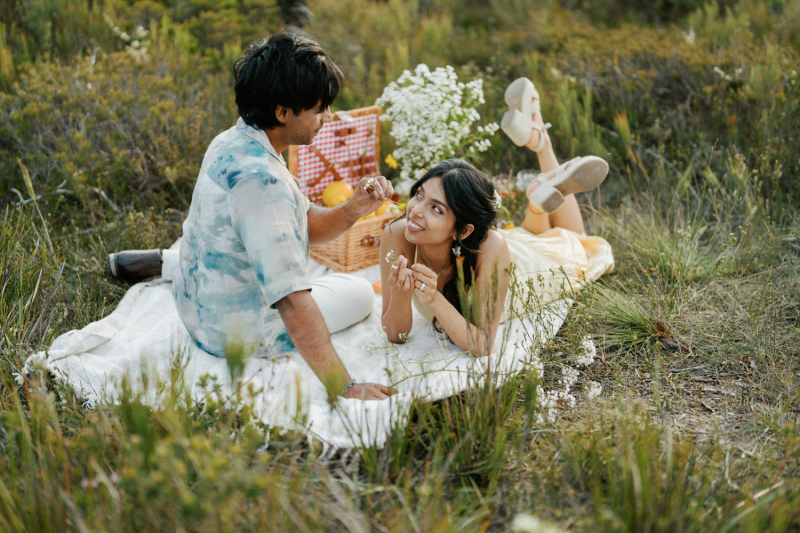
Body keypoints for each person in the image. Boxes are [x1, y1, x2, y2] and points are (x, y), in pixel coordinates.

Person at [171, 32, 396, 400]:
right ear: (282, 112)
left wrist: (353, 209)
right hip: (234, 336)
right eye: (319, 109)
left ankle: (162, 264)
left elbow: (304, 222)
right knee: (359, 293)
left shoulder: (231, 141)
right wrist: (345, 386)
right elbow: (292, 300)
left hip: (198, 313)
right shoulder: (264, 184)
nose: (327, 117)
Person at [379, 78, 614, 355]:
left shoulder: (491, 246)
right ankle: (539, 164)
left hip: (524, 270)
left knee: (577, 243)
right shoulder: (399, 233)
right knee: (534, 234)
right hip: (502, 244)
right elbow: (396, 335)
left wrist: (433, 299)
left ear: (464, 230)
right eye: (419, 195)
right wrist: (400, 293)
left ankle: (541, 175)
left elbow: (483, 345)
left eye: (436, 208)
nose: (415, 210)